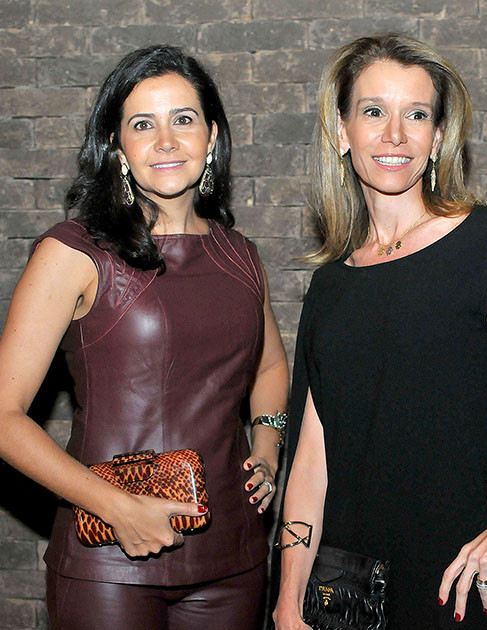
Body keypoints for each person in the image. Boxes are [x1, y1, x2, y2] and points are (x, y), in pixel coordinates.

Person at [272, 33, 487, 630]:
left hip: (459, 586)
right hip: (348, 591)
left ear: (437, 138)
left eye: (416, 115)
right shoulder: (331, 285)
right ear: (341, 131)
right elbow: (311, 460)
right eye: (373, 111)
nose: (394, 134)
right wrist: (289, 599)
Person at [0, 45, 289, 630]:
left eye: (183, 119)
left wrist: (268, 444)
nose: (165, 141)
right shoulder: (73, 251)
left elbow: (269, 368)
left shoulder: (240, 255)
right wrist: (114, 507)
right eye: (142, 124)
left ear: (211, 135)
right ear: (117, 146)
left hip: (234, 559)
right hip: (110, 558)